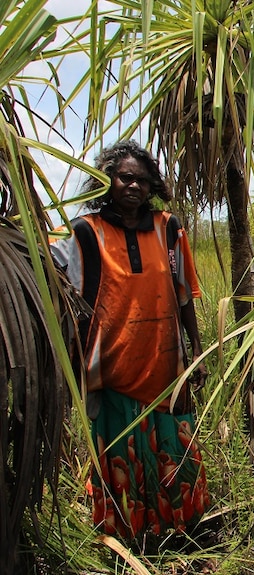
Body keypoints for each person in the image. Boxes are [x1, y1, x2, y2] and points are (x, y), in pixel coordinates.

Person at [52, 140, 210, 546]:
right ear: (108, 181)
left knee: (172, 445)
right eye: (125, 178)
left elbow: (183, 293)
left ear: (151, 184)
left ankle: (177, 527)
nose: (134, 187)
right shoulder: (87, 231)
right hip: (114, 365)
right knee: (120, 448)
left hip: (164, 363)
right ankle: (128, 533)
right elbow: (55, 268)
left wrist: (197, 350)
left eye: (142, 180)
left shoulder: (168, 229)